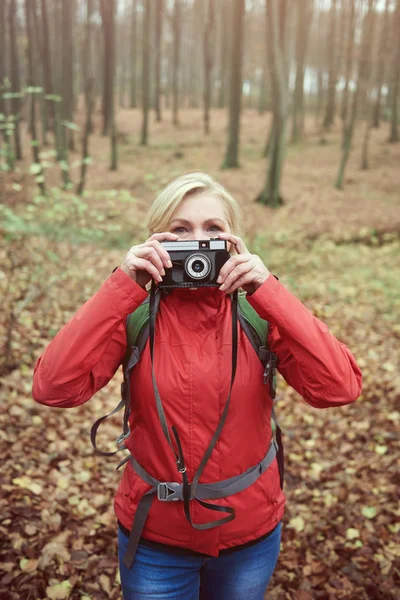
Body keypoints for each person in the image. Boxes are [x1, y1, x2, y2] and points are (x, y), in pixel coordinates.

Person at [32, 172, 362, 600]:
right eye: (181, 230)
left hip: (248, 533)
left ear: (235, 241)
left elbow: (340, 387)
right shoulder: (135, 315)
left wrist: (268, 290)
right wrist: (122, 286)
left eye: (213, 230)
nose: (197, 244)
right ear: (155, 240)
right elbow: (53, 387)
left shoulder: (258, 314)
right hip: (155, 540)